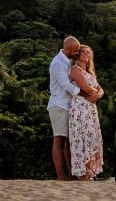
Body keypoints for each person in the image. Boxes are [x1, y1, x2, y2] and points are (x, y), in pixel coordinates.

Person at [69, 44, 104, 180]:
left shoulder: (90, 73)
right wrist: (97, 93)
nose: (85, 54)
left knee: (92, 138)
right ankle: (81, 174)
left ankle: (88, 173)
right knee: (82, 138)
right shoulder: (75, 70)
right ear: (78, 54)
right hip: (80, 106)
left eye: (87, 52)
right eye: (82, 52)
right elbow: (86, 87)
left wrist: (98, 94)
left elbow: (101, 89)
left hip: (91, 109)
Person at [48, 36, 82, 181]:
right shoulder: (57, 63)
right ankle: (61, 176)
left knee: (69, 142)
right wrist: (81, 91)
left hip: (68, 106)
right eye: (75, 51)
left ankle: (72, 175)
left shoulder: (68, 61)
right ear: (67, 49)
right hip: (58, 105)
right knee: (59, 140)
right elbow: (65, 85)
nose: (77, 53)